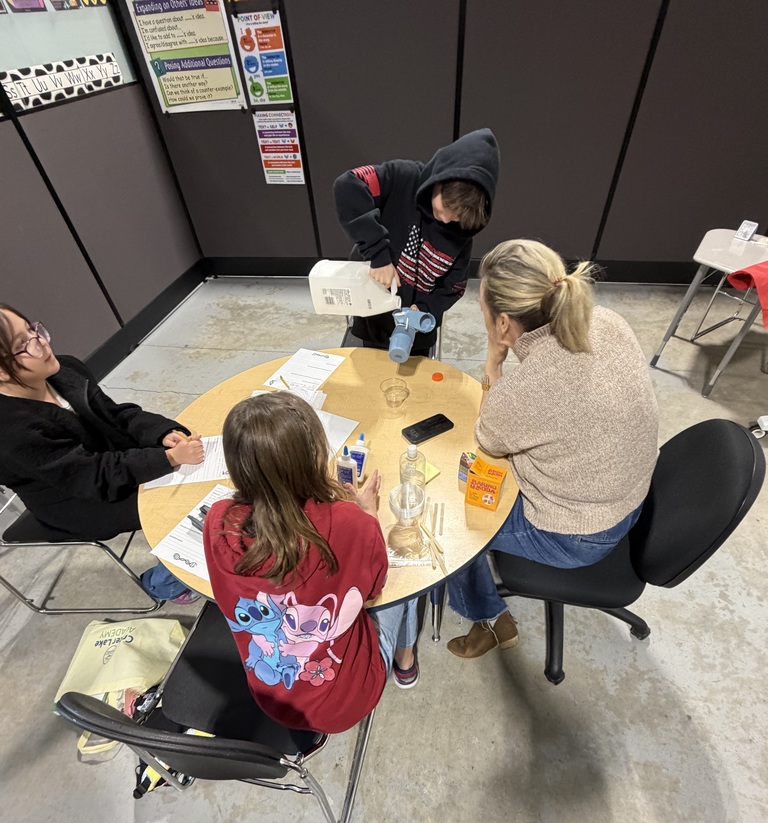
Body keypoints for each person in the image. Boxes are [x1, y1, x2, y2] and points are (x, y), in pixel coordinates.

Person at [446, 239, 659, 659]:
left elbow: (488, 438)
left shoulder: (526, 390)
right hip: (630, 495)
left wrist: (494, 364)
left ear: (503, 323)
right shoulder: (607, 320)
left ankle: (488, 619)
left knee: (451, 520)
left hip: (579, 534)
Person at [203, 392, 420, 735]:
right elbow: (374, 589)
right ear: (316, 456)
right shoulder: (350, 524)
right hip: (349, 698)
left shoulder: (218, 521)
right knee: (413, 580)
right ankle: (404, 664)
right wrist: (368, 516)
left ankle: (403, 662)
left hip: (270, 692)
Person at [0, 303, 205, 601]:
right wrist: (167, 459)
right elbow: (91, 476)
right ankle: (168, 579)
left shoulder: (64, 370)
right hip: (77, 500)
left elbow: (118, 416)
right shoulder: (11, 431)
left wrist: (163, 434)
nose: (41, 343)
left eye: (32, 330)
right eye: (24, 345)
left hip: (109, 462)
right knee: (182, 498)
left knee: (202, 472)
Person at [333, 128, 500, 356]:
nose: (447, 219)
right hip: (375, 316)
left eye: (458, 215)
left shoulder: (462, 232)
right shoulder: (402, 177)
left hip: (418, 330)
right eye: (447, 207)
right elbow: (348, 184)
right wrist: (378, 254)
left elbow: (454, 287)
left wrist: (424, 309)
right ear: (440, 180)